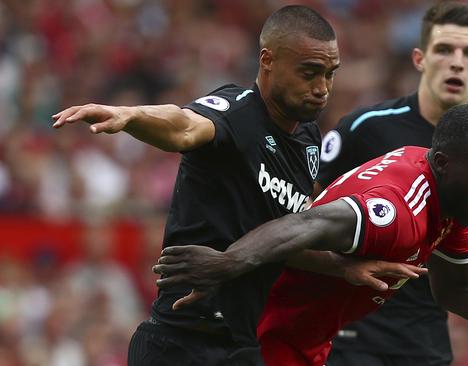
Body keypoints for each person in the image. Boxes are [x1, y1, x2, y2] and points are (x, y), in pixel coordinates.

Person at [52, 5, 424, 366]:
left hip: (242, 346)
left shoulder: (309, 139)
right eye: (309, 72)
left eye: (330, 74)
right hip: (180, 342)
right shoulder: (236, 113)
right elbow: (183, 125)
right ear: (268, 61)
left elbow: (276, 238)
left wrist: (342, 267)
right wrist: (132, 116)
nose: (322, 88)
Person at [153, 104, 468, 366]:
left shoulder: (447, 200)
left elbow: (457, 291)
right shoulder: (399, 209)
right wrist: (228, 263)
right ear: (444, 164)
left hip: (303, 341)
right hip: (265, 338)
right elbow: (307, 223)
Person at [316, 2, 468, 364]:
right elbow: (308, 215)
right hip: (353, 331)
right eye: (444, 50)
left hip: (426, 338)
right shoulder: (365, 128)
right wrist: (341, 269)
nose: (456, 62)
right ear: (420, 58)